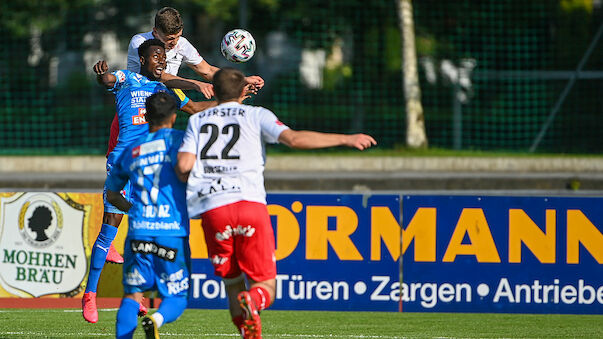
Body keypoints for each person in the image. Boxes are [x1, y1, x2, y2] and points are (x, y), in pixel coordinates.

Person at [177, 68, 376, 339]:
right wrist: (346, 138)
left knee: (233, 284)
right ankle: (255, 302)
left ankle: (250, 331)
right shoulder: (257, 114)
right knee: (264, 286)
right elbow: (294, 139)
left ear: (216, 92)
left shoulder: (198, 121)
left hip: (214, 209)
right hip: (249, 204)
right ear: (241, 92)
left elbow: (183, 166)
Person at [102, 7, 266, 261]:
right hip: (135, 109)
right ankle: (109, 238)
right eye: (169, 40)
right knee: (122, 178)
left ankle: (147, 241)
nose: (173, 44)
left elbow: (209, 71)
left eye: (177, 38)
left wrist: (243, 79)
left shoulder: (183, 45)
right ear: (156, 32)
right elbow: (161, 75)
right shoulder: (141, 42)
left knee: (153, 180)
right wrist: (195, 84)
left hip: (162, 105)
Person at [82, 38, 216, 324]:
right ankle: (90, 294)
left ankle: (136, 294)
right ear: (142, 60)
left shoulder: (167, 90)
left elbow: (196, 109)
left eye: (164, 58)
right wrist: (101, 74)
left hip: (151, 168)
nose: (161, 62)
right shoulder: (127, 78)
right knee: (110, 231)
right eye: (156, 57)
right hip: (123, 162)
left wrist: (234, 101)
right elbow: (107, 80)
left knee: (146, 230)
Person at [105, 92, 191, 339]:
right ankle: (155, 319)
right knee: (176, 296)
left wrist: (134, 211)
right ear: (174, 117)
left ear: (146, 115)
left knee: (132, 296)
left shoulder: (131, 149)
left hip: (139, 230)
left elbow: (112, 196)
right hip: (171, 232)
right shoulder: (182, 142)